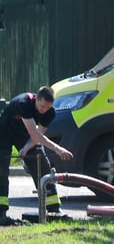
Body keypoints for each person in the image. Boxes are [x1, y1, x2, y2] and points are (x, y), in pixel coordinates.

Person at [0, 86, 74, 224]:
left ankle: (54, 209)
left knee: (41, 164)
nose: (44, 110)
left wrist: (27, 148)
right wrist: (57, 149)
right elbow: (35, 133)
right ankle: (1, 213)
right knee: (1, 171)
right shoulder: (24, 104)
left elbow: (38, 135)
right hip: (4, 131)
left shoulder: (50, 112)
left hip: (24, 134)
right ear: (36, 99)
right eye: (42, 107)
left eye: (47, 107)